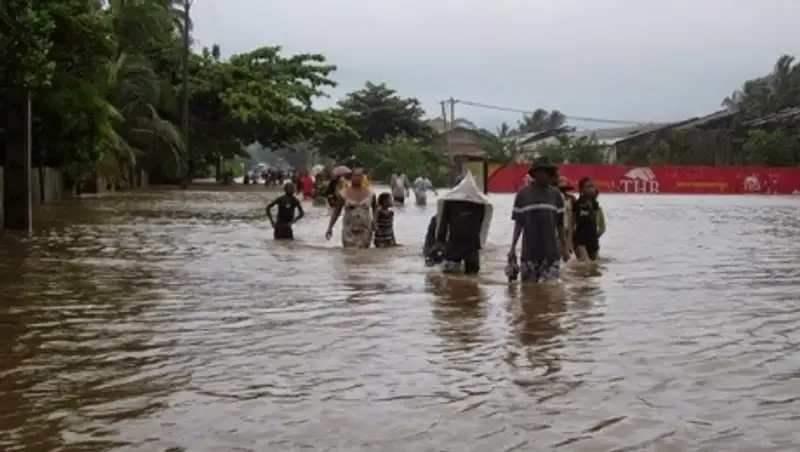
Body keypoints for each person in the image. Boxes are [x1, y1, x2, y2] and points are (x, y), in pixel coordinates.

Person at [508, 157, 570, 283]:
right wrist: (513, 248)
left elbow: (560, 224)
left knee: (550, 291)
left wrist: (565, 246)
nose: (549, 176)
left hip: (551, 254)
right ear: (536, 173)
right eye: (545, 172)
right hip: (529, 254)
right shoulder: (522, 195)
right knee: (529, 294)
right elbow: (519, 224)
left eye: (550, 173)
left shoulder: (556, 195)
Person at [434, 172, 493, 275]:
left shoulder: (451, 202)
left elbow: (443, 223)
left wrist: (440, 241)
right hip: (469, 245)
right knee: (472, 278)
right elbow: (483, 223)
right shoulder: (479, 203)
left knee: (451, 278)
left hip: (458, 243)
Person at [325, 169, 376, 248]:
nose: (358, 178)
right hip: (349, 230)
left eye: (360, 176)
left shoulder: (370, 193)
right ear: (351, 177)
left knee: (365, 256)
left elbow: (375, 209)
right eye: (355, 176)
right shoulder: (343, 193)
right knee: (349, 253)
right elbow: (336, 212)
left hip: (365, 230)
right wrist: (330, 228)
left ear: (363, 178)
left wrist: (375, 222)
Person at [572, 177, 603, 261]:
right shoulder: (577, 204)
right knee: (586, 265)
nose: (592, 188)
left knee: (595, 269)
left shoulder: (595, 204)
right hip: (580, 240)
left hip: (593, 240)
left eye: (593, 186)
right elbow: (572, 223)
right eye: (588, 186)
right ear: (582, 190)